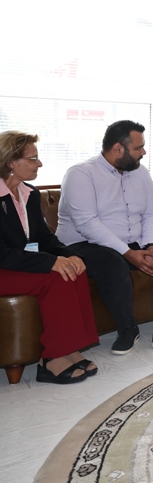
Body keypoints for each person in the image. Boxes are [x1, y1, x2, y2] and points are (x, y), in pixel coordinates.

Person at [56, 120, 153, 355]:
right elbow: (87, 224)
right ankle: (127, 330)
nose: (143, 152)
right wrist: (128, 253)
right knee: (113, 261)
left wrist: (151, 245)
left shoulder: (140, 172)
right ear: (118, 148)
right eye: (138, 147)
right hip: (83, 244)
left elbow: (151, 213)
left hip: (131, 242)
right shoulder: (81, 174)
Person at [0, 132, 98, 385]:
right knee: (55, 278)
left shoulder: (30, 193)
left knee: (75, 269)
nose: (39, 163)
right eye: (33, 159)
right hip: (3, 265)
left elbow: (43, 237)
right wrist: (50, 263)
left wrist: (69, 255)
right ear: (11, 162)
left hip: (17, 263)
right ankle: (51, 359)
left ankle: (71, 348)